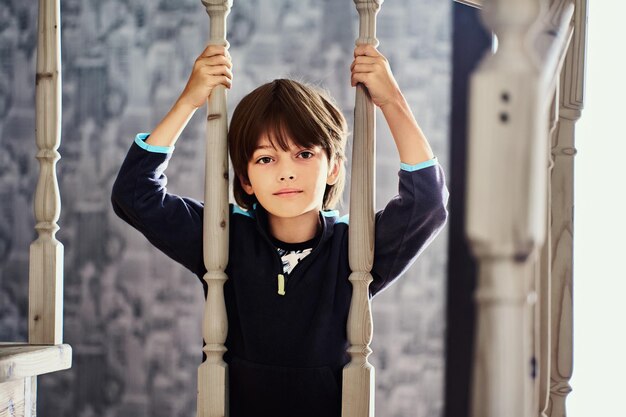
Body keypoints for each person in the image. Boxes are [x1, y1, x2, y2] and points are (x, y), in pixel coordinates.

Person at [111, 43, 449, 417]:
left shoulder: (355, 248)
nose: (286, 171)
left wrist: (391, 101)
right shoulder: (223, 236)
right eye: (266, 158)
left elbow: (428, 203)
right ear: (247, 178)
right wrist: (190, 102)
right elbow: (134, 193)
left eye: (303, 154)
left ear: (334, 168)